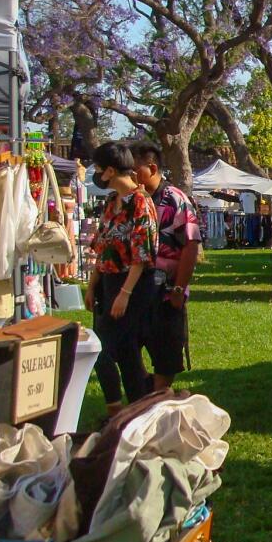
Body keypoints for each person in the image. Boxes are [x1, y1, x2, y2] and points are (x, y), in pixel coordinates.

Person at [85, 142, 159, 416]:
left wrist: (125, 294)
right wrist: (93, 285)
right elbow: (102, 247)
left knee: (99, 349)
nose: (97, 174)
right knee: (127, 351)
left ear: (111, 170)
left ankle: (114, 410)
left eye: (99, 168)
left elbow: (142, 254)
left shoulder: (140, 203)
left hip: (132, 285)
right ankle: (139, 411)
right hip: (108, 283)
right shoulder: (111, 203)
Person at [129, 141, 202, 391]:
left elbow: (191, 245)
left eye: (133, 169)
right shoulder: (131, 200)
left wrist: (178, 289)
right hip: (135, 291)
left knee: (166, 356)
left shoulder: (175, 199)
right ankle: (144, 396)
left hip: (166, 292)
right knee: (126, 347)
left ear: (151, 167)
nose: (129, 174)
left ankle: (158, 402)